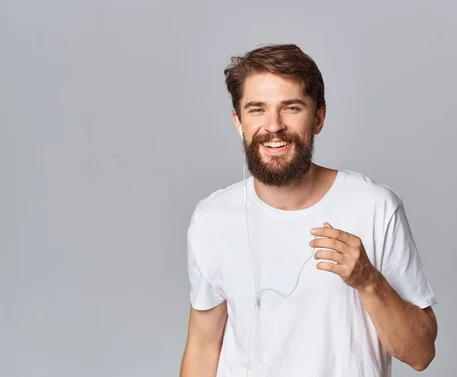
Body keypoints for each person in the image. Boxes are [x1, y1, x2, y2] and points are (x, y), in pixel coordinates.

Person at [180, 44, 438, 377]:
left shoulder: (374, 206)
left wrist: (368, 281)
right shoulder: (211, 219)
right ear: (238, 121)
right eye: (257, 109)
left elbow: (420, 354)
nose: (274, 126)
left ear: (318, 118)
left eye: (291, 107)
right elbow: (203, 348)